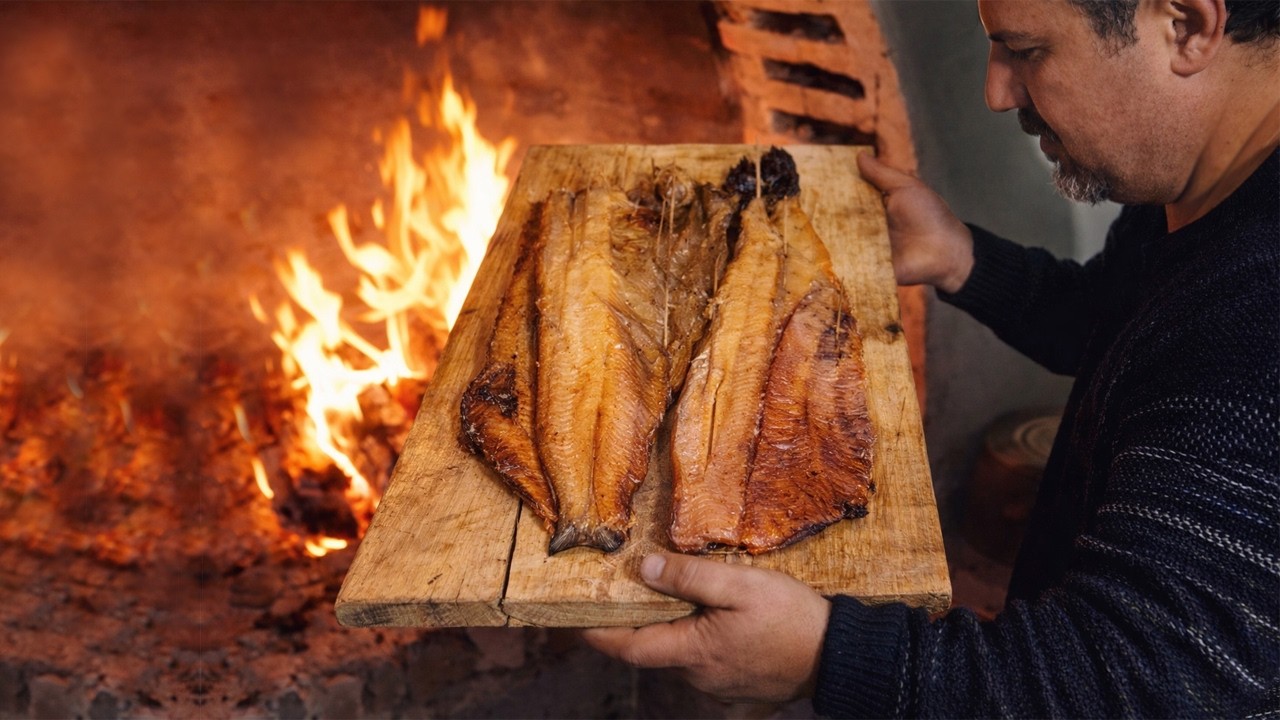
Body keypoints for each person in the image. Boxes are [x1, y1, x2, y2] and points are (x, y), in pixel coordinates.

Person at [583, 0, 1279, 715]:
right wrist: (963, 259)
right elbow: (1128, 328)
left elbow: (1135, 684)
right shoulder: (1205, 179)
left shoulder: (1261, 306)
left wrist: (827, 656)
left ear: (1187, 27)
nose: (996, 92)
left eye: (1027, 51)